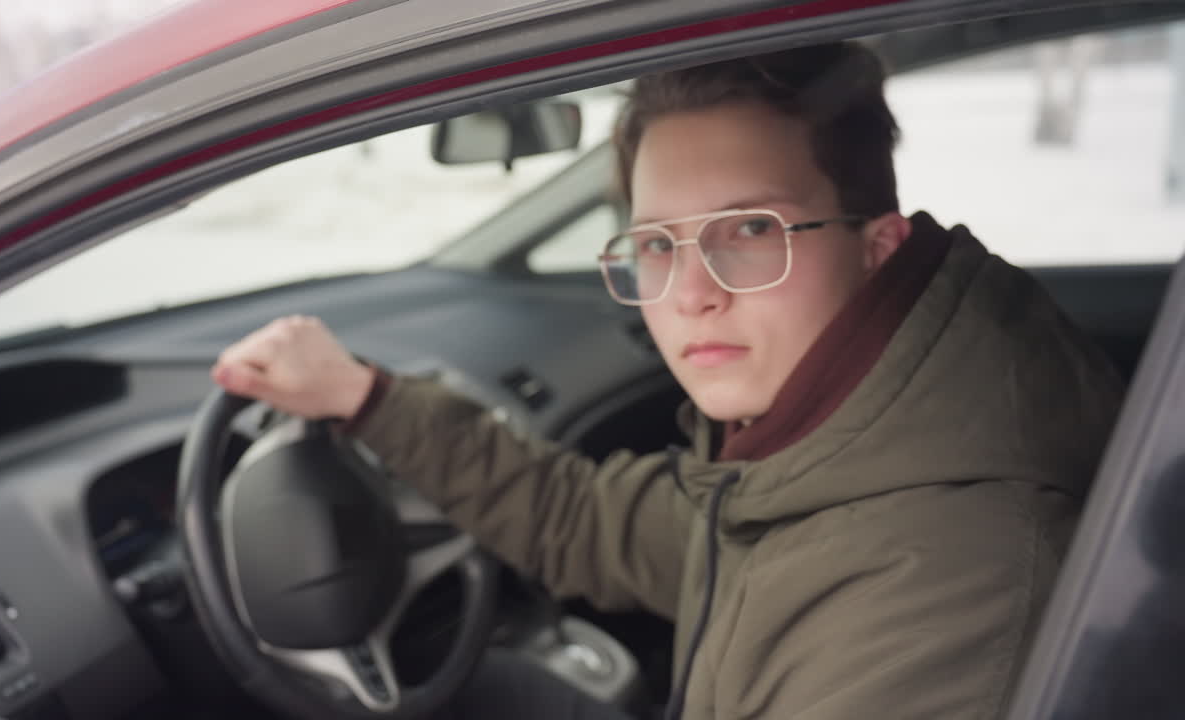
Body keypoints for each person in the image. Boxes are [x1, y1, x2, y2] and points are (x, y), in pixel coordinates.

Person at [212, 41, 1125, 720]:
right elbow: (583, 524)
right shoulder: (813, 454)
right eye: (656, 245)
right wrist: (367, 399)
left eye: (752, 231)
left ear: (878, 250)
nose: (691, 296)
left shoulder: (951, 586)